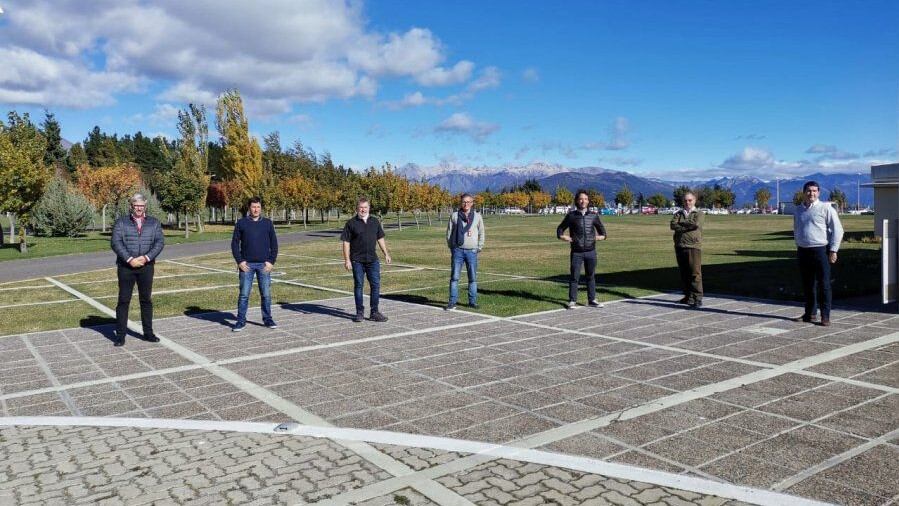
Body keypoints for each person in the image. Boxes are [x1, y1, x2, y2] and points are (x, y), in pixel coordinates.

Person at [110, 193, 164, 347]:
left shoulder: (154, 223)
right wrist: (130, 260)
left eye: (141, 205)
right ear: (131, 206)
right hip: (126, 267)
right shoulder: (121, 222)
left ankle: (148, 333)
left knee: (146, 300)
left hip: (146, 267)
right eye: (136, 205)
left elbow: (159, 242)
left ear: (145, 206)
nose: (139, 208)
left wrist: (146, 258)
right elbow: (116, 242)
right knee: (123, 300)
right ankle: (120, 336)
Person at [794, 180, 844, 326]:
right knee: (808, 284)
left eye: (815, 191)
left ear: (819, 193)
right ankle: (810, 314)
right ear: (804, 193)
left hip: (821, 250)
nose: (812, 193)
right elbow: (797, 228)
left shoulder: (826, 208)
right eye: (809, 191)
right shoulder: (798, 210)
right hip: (803, 251)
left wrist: (833, 250)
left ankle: (825, 316)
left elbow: (838, 230)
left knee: (824, 284)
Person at [231, 197, 279, 332]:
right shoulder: (241, 223)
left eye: (258, 207)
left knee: (266, 294)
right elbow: (234, 244)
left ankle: (268, 319)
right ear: (249, 208)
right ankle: (240, 320)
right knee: (244, 294)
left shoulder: (268, 223)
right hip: (247, 266)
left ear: (261, 208)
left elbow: (274, 244)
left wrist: (271, 262)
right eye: (253, 207)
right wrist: (240, 261)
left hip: (264, 265)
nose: (256, 209)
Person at [342, 198, 392, 322]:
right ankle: (359, 312)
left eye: (365, 207)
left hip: (372, 260)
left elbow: (380, 239)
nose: (363, 209)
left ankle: (374, 312)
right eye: (361, 207)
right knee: (359, 286)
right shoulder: (351, 223)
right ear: (357, 209)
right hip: (357, 260)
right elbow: (346, 242)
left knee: (375, 285)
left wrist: (386, 254)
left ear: (369, 208)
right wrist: (347, 260)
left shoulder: (375, 222)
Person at [557, 189, 607, 309]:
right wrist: (563, 237)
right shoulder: (571, 216)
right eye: (580, 199)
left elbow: (603, 232)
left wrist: (598, 238)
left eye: (585, 199)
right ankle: (572, 301)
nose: (583, 201)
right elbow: (560, 229)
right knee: (574, 277)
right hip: (576, 252)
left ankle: (592, 300)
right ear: (576, 201)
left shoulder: (593, 216)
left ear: (588, 201)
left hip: (591, 252)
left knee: (591, 276)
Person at [445, 193, 486, 310]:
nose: (466, 204)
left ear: (472, 203)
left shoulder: (477, 217)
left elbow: (482, 232)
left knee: (472, 278)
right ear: (460, 203)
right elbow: (448, 233)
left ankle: (472, 301)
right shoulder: (454, 216)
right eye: (464, 202)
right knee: (454, 277)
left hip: (472, 251)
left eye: (468, 202)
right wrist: (452, 247)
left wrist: (479, 247)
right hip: (457, 251)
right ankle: (452, 301)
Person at [670, 192, 704, 309]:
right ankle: (688, 296)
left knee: (695, 273)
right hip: (679, 245)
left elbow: (695, 224)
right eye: (685, 200)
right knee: (684, 273)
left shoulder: (699, 213)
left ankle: (697, 298)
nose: (687, 202)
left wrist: (681, 224)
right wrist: (686, 225)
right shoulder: (679, 213)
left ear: (694, 200)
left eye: (690, 200)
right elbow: (673, 225)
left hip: (693, 246)